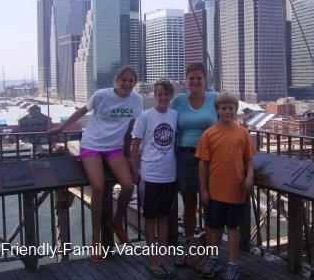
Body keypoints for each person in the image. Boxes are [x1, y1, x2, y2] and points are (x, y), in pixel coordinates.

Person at [48, 66, 143, 262]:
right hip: (92, 145)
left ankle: (117, 222)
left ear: (135, 83)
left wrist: (126, 155)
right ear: (117, 81)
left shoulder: (137, 100)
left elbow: (129, 130)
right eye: (124, 80)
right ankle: (95, 241)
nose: (127, 84)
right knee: (98, 186)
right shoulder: (102, 95)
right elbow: (80, 113)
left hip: (114, 148)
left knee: (127, 185)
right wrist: (60, 128)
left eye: (131, 81)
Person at [196, 92, 255, 280]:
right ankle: (213, 258)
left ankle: (232, 263)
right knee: (214, 227)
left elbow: (248, 160)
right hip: (214, 191)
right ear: (217, 110)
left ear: (236, 110)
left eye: (231, 108)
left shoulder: (243, 133)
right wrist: (203, 189)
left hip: (236, 191)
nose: (228, 112)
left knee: (232, 228)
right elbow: (203, 164)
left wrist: (250, 176)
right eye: (224, 108)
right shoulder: (209, 134)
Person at [170, 62, 219, 270]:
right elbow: (168, 126)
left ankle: (208, 254)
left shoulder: (216, 98)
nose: (195, 81)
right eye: (191, 78)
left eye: (199, 78)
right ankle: (190, 249)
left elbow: (230, 121)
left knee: (208, 204)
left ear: (205, 80)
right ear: (186, 81)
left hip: (209, 158)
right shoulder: (178, 101)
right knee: (189, 204)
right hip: (185, 156)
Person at [129, 78, 178, 278]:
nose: (163, 98)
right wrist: (135, 170)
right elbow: (135, 145)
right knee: (149, 218)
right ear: (154, 95)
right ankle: (152, 258)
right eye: (160, 94)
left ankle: (164, 257)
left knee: (164, 217)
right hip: (149, 175)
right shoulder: (145, 116)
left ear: (171, 96)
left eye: (167, 94)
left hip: (170, 174)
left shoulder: (175, 115)